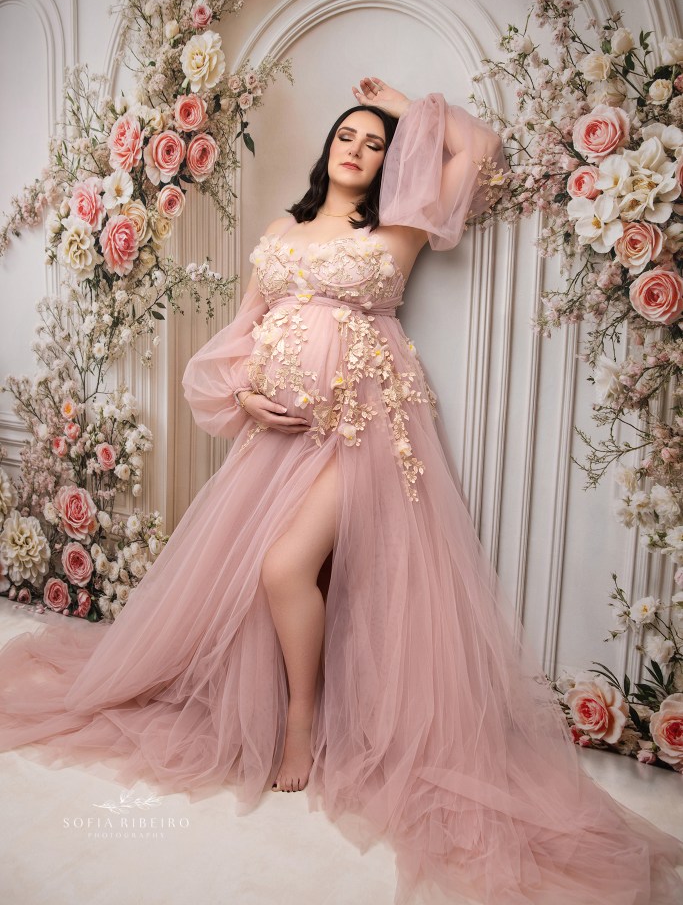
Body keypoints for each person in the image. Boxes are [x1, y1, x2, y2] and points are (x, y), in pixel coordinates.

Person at [0, 76, 681, 905]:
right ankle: (286, 710)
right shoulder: (284, 228)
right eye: (347, 136)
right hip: (276, 436)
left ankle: (299, 724)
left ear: (389, 162)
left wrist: (398, 101)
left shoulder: (396, 225)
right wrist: (244, 392)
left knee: (284, 569)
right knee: (272, 575)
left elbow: (483, 148)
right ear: (325, 149)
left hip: (363, 435)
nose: (357, 149)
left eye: (374, 142)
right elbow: (243, 326)